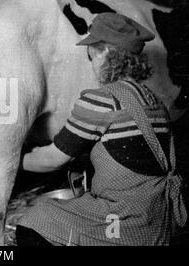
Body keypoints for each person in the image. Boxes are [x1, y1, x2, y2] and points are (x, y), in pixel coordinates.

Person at [16, 13, 187, 246]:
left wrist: (14, 159)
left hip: (123, 221)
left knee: (36, 218)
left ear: (104, 52)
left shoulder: (102, 100)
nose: (90, 59)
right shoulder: (153, 99)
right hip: (158, 219)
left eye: (91, 52)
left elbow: (52, 160)